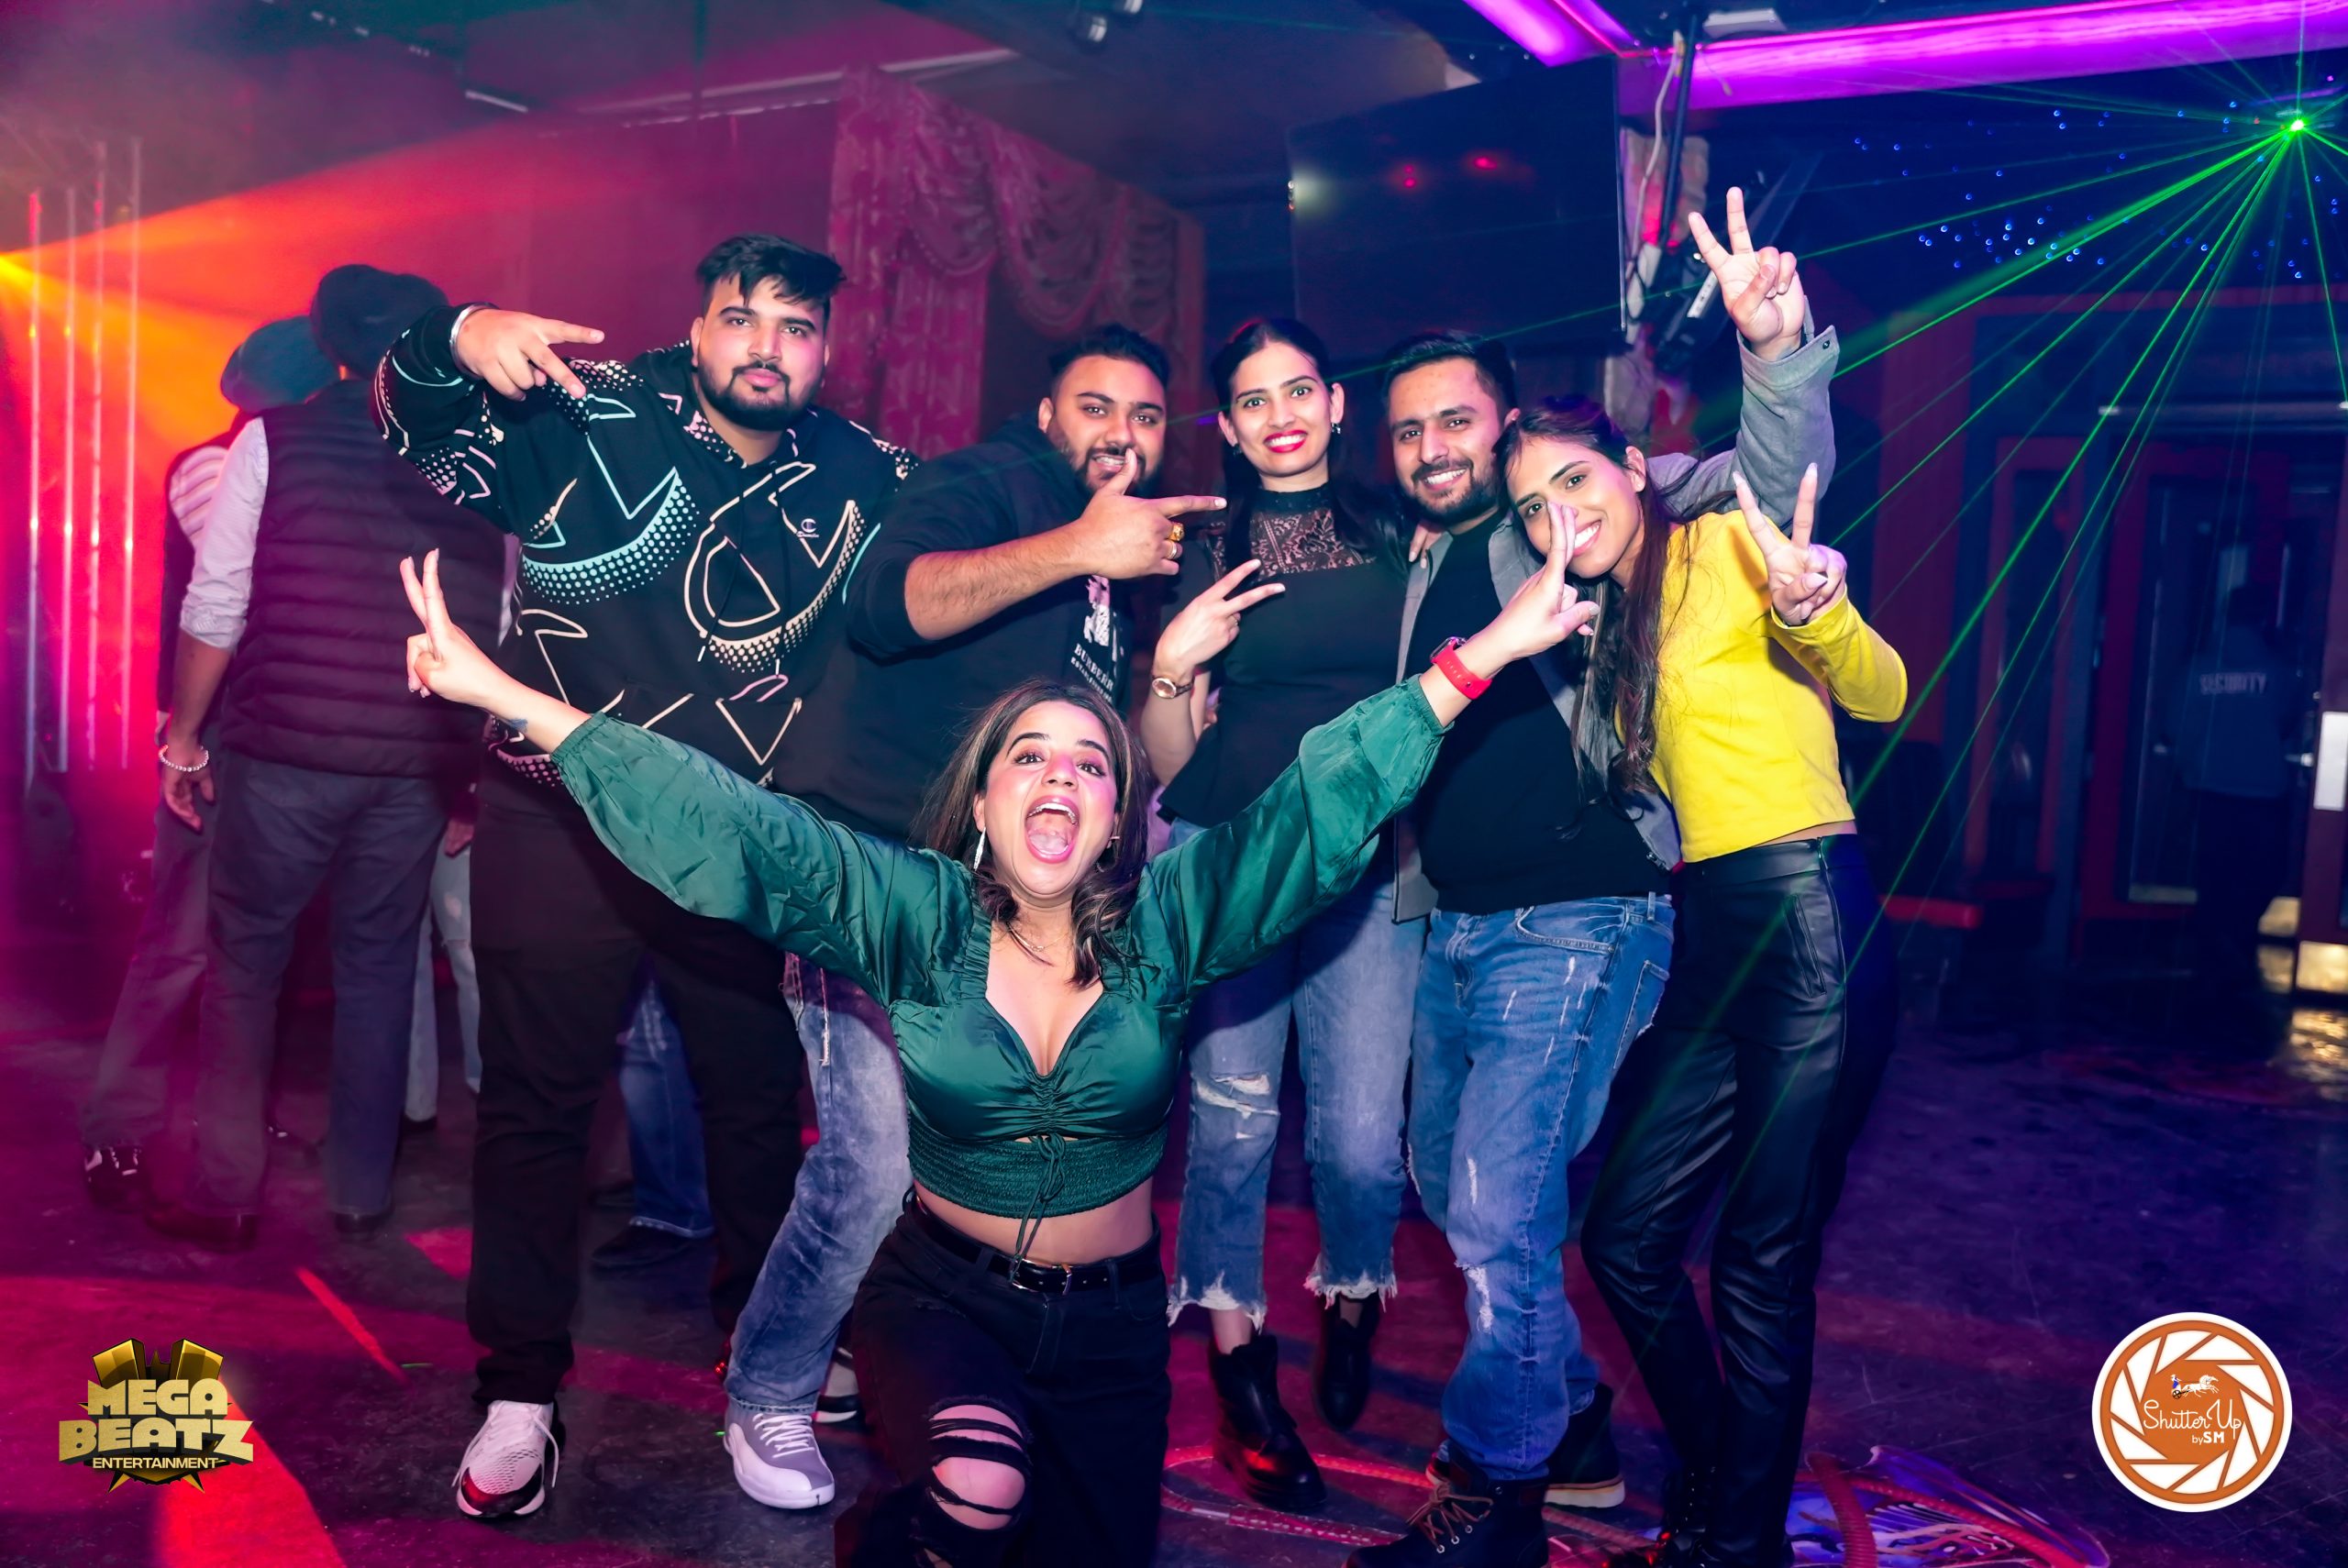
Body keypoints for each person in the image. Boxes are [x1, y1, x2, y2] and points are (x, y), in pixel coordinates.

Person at [395, 509, 1595, 1566]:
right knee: (978, 1486)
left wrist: (1483, 652)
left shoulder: (1170, 926)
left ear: (1118, 816)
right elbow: (739, 829)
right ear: (982, 803)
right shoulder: (914, 917)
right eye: (1029, 757)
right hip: (943, 1303)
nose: (1059, 778)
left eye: (1090, 763)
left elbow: (1317, 804)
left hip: (1114, 1332)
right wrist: (511, 696)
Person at [373, 233, 914, 1518]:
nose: (766, 347)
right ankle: (519, 1391)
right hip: (554, 813)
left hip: (737, 836)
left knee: (756, 1106)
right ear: (699, 323)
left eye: (795, 328)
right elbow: (410, 423)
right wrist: (457, 333)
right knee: (535, 1108)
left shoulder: (866, 474)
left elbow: (926, 615)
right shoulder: (587, 411)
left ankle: (767, 1373)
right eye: (742, 318)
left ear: (827, 350)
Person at [1352, 192, 1841, 1568]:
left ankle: (1498, 1492)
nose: (1434, 448)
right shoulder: (1424, 564)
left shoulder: (1596, 518)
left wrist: (1774, 350)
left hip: (1578, 920)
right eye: (1409, 431)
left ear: (1507, 423)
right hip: (1451, 925)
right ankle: (1568, 1419)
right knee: (1458, 1194)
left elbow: (1762, 477)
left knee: (1502, 1211)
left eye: (1458, 420)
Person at [712, 324, 1224, 1511]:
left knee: (954, 1155)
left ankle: (870, 1344)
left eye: (1146, 416)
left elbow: (1120, 761)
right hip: (873, 870)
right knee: (876, 1160)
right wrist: (1078, 544)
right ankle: (768, 1386)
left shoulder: (1121, 566)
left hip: (988, 903)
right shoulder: (989, 484)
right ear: (1046, 417)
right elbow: (887, 604)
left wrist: (1169, 679)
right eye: (1096, 406)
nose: (1122, 433)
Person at [1506, 420, 1904, 1568]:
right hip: (1711, 931)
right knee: (1624, 1236)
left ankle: (1737, 1546)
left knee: (1760, 1265)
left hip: (1808, 915)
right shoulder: (1611, 616)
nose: (1558, 516)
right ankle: (1727, 1477)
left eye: (1575, 479)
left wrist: (1814, 609)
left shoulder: (1726, 543)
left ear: (1636, 469)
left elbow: (1881, 692)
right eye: (1531, 506)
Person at [142, 268, 506, 1253]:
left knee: (246, 965)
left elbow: (217, 601)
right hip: (416, 761)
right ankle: (360, 1191)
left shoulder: (276, 440)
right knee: (380, 967)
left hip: (283, 757)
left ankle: (225, 1192)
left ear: (331, 346)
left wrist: (184, 738)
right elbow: (501, 619)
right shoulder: (476, 454)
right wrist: (472, 772)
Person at [1137, 316, 1415, 1510]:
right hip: (1232, 855)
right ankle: (1240, 1372)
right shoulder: (1205, 547)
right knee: (1234, 1119)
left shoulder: (1400, 532)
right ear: (1233, 427)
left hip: (1368, 864)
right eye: (1253, 400)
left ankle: (1353, 1292)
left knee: (1357, 1139)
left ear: (1337, 403)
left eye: (1298, 390)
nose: (1280, 415)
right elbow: (1169, 762)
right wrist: (1172, 661)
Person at [82, 318, 336, 1211]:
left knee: (258, 948)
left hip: (274, 733)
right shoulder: (209, 466)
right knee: (181, 945)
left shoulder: (290, 465)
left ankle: (233, 1123)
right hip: (216, 737)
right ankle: (117, 1128)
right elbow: (246, 591)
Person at [2169, 584, 2295, 996]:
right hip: (2263, 789)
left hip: (2209, 785)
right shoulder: (2277, 671)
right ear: (2263, 619)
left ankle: (2215, 949)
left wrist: (2190, 763)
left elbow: (2175, 725)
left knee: (2214, 872)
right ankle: (2236, 935)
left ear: (2226, 616)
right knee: (2263, 870)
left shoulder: (2198, 668)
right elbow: (2288, 720)